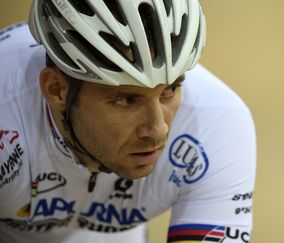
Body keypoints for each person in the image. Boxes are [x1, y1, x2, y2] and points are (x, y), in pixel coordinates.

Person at [0, 0, 256, 242]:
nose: (158, 130)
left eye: (170, 89)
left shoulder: (216, 124)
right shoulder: (7, 117)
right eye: (126, 100)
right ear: (57, 90)